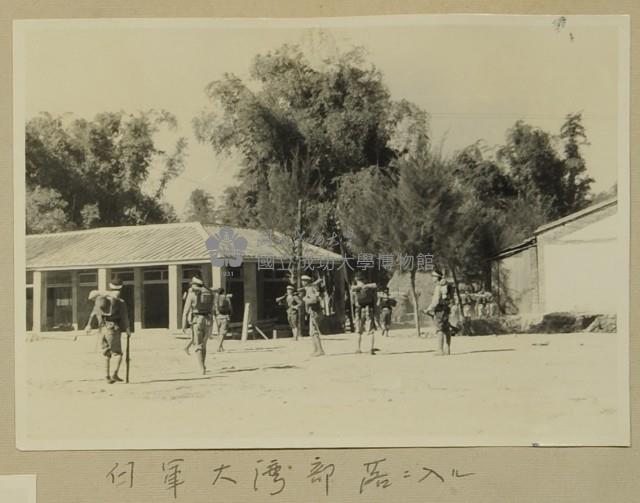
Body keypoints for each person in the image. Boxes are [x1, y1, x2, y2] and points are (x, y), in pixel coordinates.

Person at [181, 277, 215, 374]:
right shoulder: (210, 293)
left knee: (197, 345)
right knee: (204, 345)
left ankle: (201, 368)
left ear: (194, 285)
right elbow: (212, 310)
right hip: (208, 320)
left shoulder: (192, 294)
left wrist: (184, 325)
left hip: (197, 320)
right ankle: (203, 365)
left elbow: (185, 312)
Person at [100, 278, 131, 383]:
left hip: (103, 328)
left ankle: (106, 376)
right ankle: (115, 374)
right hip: (113, 328)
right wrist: (127, 329)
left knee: (106, 353)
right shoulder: (120, 302)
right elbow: (124, 317)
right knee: (118, 354)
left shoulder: (103, 299)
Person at [426, 270, 453, 356]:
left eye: (433, 276)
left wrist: (429, 309)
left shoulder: (438, 287)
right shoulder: (446, 285)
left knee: (439, 329)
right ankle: (447, 349)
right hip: (446, 309)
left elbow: (436, 300)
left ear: (437, 277)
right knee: (446, 329)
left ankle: (440, 350)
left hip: (439, 310)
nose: (432, 278)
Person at [351, 275, 378, 354]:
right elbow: (375, 300)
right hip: (369, 309)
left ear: (357, 280)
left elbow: (353, 302)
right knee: (371, 330)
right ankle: (371, 349)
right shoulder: (370, 289)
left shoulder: (355, 290)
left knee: (358, 331)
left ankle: (358, 349)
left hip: (359, 311)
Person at [300, 275, 325, 356]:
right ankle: (316, 350)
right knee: (311, 332)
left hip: (315, 312)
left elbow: (314, 300)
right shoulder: (311, 288)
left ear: (306, 282)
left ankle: (320, 350)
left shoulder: (310, 289)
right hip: (314, 312)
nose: (302, 282)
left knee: (314, 332)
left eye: (303, 281)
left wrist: (304, 299)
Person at [214, 288, 232, 352]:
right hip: (225, 316)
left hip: (218, 317)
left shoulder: (216, 299)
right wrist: (229, 314)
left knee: (219, 333)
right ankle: (219, 347)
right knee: (223, 333)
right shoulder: (226, 298)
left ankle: (221, 347)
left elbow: (214, 308)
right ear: (223, 292)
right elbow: (230, 307)